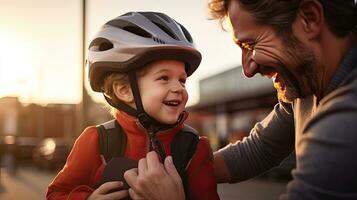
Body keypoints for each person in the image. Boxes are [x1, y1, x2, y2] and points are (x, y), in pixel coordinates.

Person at [124, 0, 357, 199]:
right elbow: (259, 149)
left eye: (251, 44)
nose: (247, 69)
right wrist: (149, 177)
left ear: (310, 18)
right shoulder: (304, 90)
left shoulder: (346, 121)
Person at [46, 11, 219, 200]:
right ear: (124, 90)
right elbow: (56, 194)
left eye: (182, 80)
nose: (178, 88)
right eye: (164, 78)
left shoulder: (194, 147)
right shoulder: (97, 141)